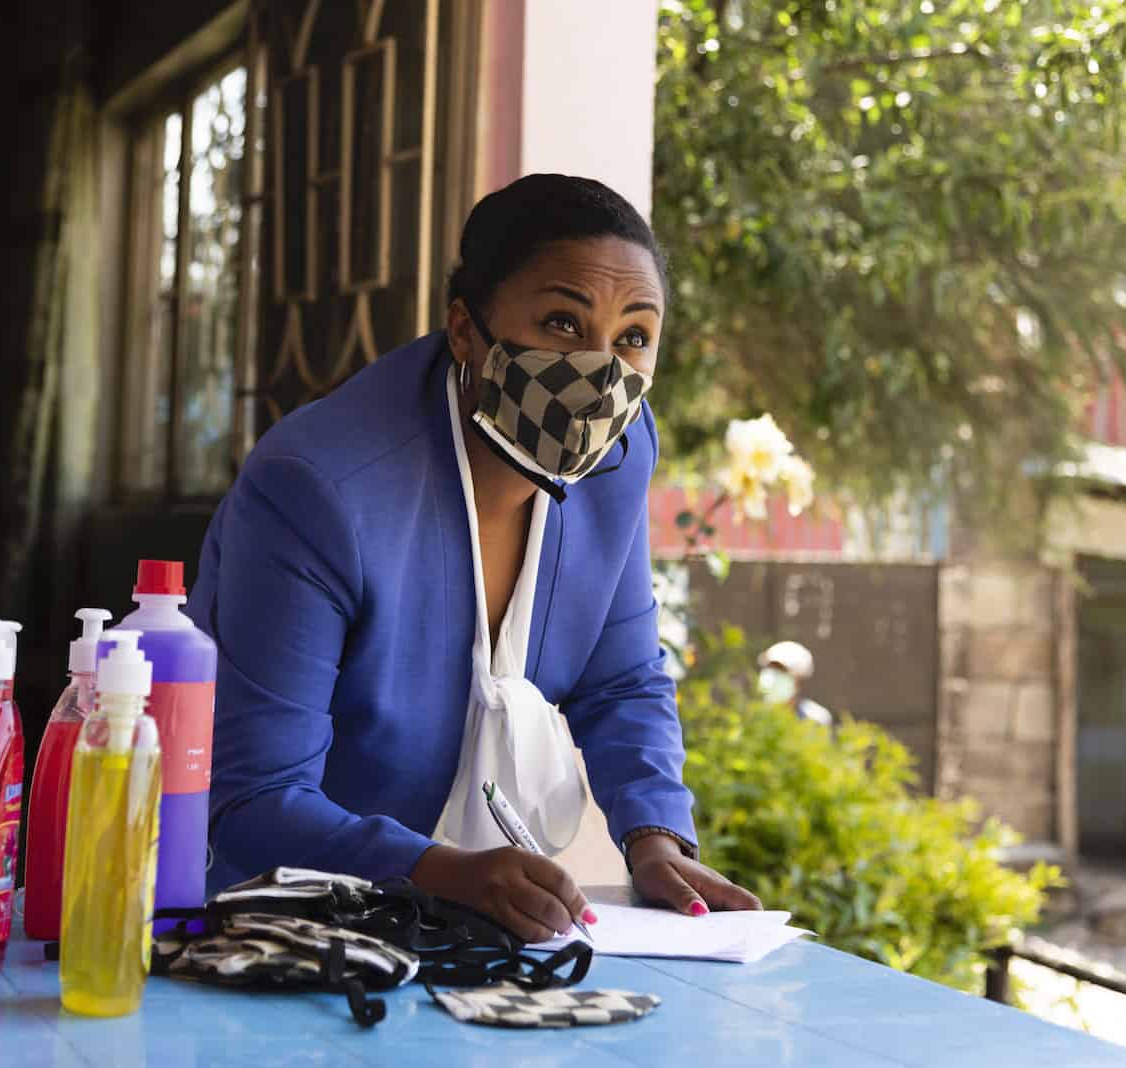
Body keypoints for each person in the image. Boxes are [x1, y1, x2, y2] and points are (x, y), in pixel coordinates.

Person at [188, 174, 762, 944]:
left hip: (454, 934)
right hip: (268, 924)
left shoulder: (619, 457)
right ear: (465, 330)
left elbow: (620, 677)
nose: (601, 376)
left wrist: (655, 836)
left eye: (632, 337)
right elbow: (253, 798)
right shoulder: (321, 489)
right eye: (563, 323)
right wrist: (440, 872)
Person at [757, 640, 833, 727]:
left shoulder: (816, 720)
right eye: (770, 668)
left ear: (798, 679)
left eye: (781, 670)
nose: (772, 675)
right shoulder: (753, 718)